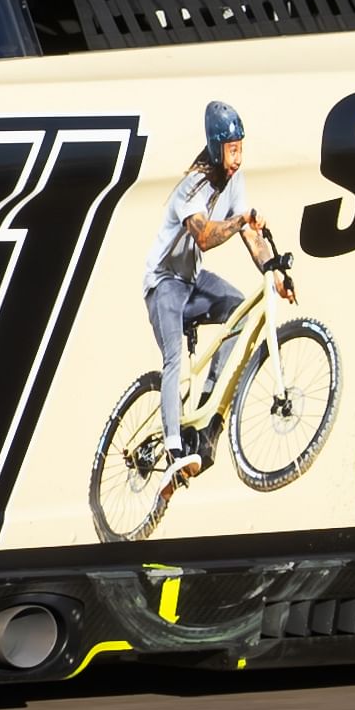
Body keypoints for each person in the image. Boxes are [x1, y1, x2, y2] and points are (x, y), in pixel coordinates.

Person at [145, 98, 284, 478]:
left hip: (192, 280)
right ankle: (173, 448)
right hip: (164, 284)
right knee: (175, 359)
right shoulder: (191, 187)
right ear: (216, 146)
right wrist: (241, 219)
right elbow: (205, 236)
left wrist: (273, 270)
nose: (237, 157)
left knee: (238, 311)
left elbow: (251, 236)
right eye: (232, 150)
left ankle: (205, 416)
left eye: (241, 148)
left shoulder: (234, 180)